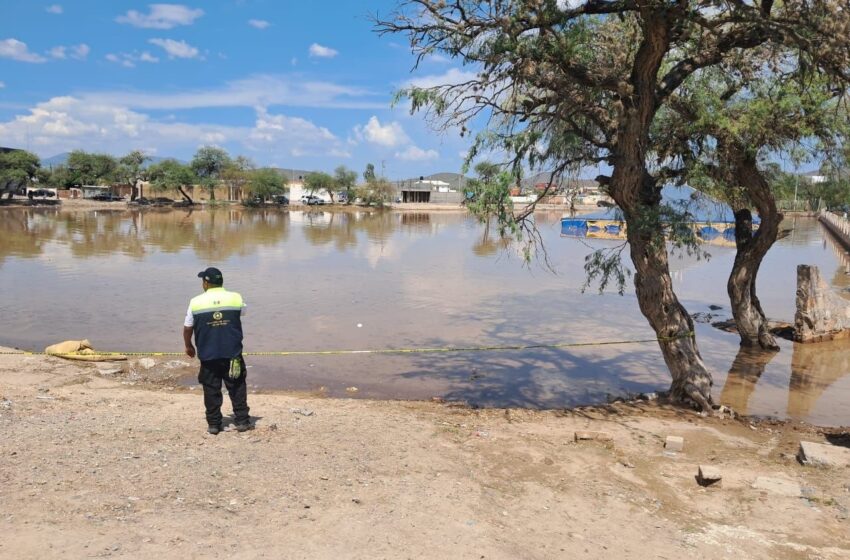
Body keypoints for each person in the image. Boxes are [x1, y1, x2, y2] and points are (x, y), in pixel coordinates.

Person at [183, 267, 251, 434]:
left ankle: (214, 424)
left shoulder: (195, 302)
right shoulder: (236, 298)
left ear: (206, 283)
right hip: (232, 354)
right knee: (236, 386)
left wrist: (188, 345)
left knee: (211, 389)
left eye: (203, 281)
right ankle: (242, 421)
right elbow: (243, 313)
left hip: (208, 355)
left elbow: (188, 327)